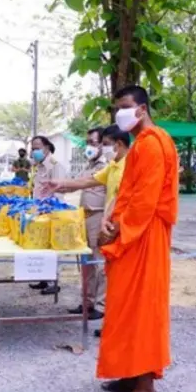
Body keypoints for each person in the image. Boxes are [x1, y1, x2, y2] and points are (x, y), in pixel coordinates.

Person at [95, 85, 179, 392]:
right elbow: (128, 193)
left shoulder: (154, 144)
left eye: (125, 107)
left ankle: (146, 390)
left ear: (141, 109)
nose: (120, 113)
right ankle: (131, 376)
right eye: (117, 108)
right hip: (133, 231)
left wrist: (118, 228)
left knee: (142, 309)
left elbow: (145, 200)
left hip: (145, 235)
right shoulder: (142, 144)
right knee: (125, 307)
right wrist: (112, 219)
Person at [47, 125, 131, 322]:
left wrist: (108, 220)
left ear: (118, 144)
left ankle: (103, 307)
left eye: (104, 144)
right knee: (87, 263)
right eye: (96, 143)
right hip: (93, 218)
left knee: (101, 264)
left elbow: (123, 198)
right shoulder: (112, 166)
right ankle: (89, 302)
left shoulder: (129, 165)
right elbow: (87, 181)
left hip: (110, 222)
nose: (100, 147)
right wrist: (62, 184)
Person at [29, 135, 67, 295]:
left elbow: (58, 193)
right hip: (39, 212)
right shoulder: (40, 166)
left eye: (37, 147)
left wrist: (50, 211)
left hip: (51, 212)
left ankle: (54, 281)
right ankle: (43, 278)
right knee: (42, 245)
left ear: (46, 148)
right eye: (33, 148)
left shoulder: (54, 165)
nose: (34, 151)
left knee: (52, 247)